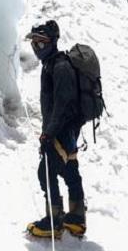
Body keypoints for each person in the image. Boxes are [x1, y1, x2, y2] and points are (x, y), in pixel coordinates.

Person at [25, 20, 87, 239]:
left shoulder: (59, 67)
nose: (37, 48)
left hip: (60, 129)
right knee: (70, 170)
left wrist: (49, 133)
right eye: (34, 44)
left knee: (47, 172)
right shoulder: (54, 64)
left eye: (41, 43)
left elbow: (61, 103)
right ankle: (77, 219)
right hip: (68, 129)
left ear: (53, 42)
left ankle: (54, 221)